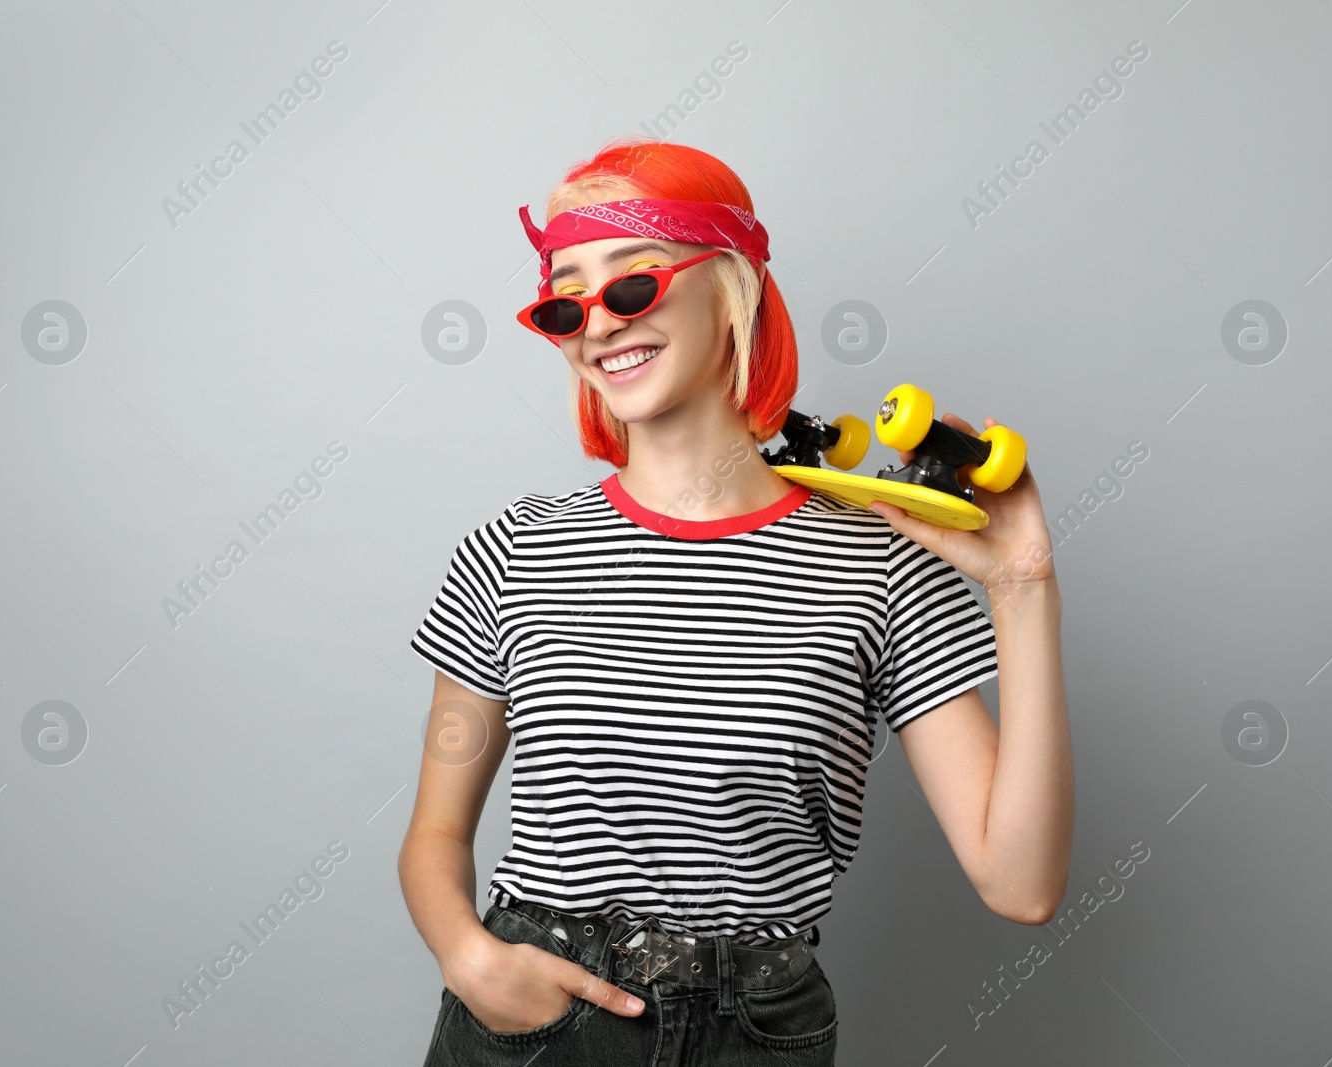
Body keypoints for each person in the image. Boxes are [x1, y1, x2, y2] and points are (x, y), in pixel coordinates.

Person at [400, 138, 1074, 1066]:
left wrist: (1022, 587)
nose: (597, 324)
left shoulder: (879, 560)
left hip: (756, 1031)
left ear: (734, 287)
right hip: (533, 1015)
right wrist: (467, 954)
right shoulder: (518, 545)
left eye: (633, 285)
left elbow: (1022, 882)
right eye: (565, 299)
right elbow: (434, 834)